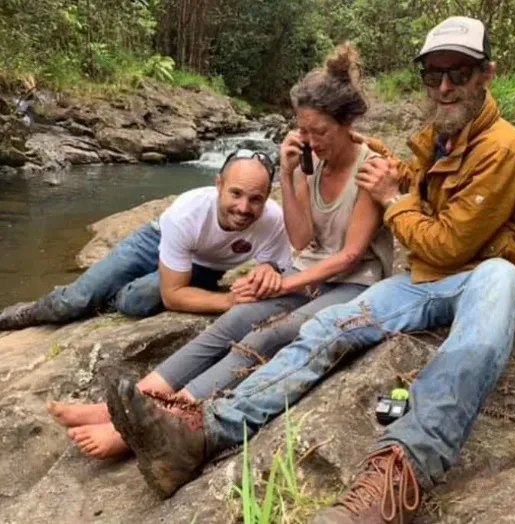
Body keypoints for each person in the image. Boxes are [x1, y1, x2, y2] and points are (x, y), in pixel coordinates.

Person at [104, 15, 515, 520]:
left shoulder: (503, 149)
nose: (445, 86)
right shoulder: (438, 134)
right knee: (329, 325)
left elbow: (445, 244)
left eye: (459, 73)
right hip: (424, 281)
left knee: (480, 334)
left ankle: (395, 481)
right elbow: (409, 181)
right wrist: (366, 158)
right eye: (433, 73)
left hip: (484, 273)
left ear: (486, 74)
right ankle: (204, 433)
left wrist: (390, 198)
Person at [48, 42, 394, 460]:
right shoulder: (310, 161)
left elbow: (349, 256)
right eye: (302, 130)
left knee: (275, 333)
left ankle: (162, 420)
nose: (309, 140)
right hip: (311, 273)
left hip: (354, 283)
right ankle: (125, 404)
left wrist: (283, 281)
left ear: (347, 123)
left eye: (319, 131)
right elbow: (302, 241)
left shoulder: (372, 167)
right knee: (236, 318)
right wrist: (286, 173)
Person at [0, 150, 293, 330]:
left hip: (203, 265)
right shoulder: (187, 213)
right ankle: (26, 312)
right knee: (75, 301)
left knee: (137, 301)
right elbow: (173, 296)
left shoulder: (273, 219)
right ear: (218, 185)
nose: (244, 208)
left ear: (268, 197)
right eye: (236, 194)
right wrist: (227, 300)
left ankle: (109, 297)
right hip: (154, 240)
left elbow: (280, 265)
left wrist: (270, 267)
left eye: (256, 199)